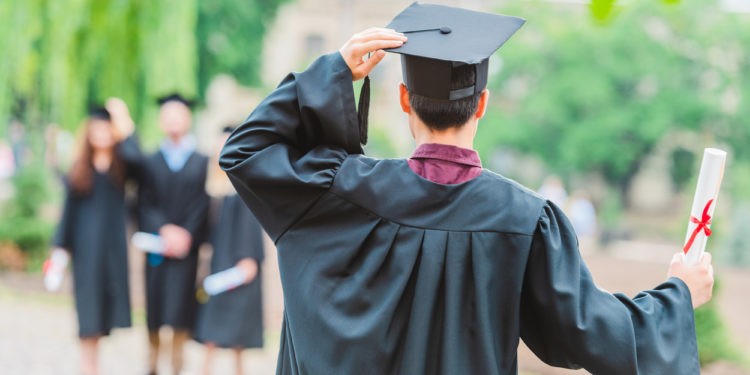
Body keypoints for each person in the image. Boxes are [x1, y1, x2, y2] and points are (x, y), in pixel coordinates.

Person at [220, 3, 714, 375]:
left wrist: (333, 72)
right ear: (482, 105)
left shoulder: (334, 192)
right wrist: (679, 295)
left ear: (403, 99)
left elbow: (244, 152)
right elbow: (593, 330)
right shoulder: (524, 220)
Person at [50, 99, 140, 375]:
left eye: (107, 130)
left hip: (112, 251)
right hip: (86, 252)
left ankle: (93, 366)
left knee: (103, 316)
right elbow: (68, 215)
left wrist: (126, 123)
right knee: (87, 314)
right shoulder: (80, 170)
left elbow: (140, 160)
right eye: (96, 130)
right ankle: (88, 368)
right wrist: (58, 254)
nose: (101, 135)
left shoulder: (122, 168)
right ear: (88, 134)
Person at [138, 93, 210, 375]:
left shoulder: (202, 160)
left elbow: (203, 203)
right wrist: (163, 229)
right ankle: (153, 363)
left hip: (186, 248)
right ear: (160, 120)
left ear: (188, 118)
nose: (172, 120)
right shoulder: (150, 160)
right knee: (154, 302)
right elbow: (143, 201)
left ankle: (178, 363)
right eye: (167, 115)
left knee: (182, 304)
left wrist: (186, 234)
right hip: (157, 245)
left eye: (178, 114)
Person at [195, 126, 266, 375]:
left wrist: (248, 258)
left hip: (239, 261)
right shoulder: (212, 186)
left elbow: (251, 225)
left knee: (238, 334)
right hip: (218, 262)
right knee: (212, 330)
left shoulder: (246, 183)